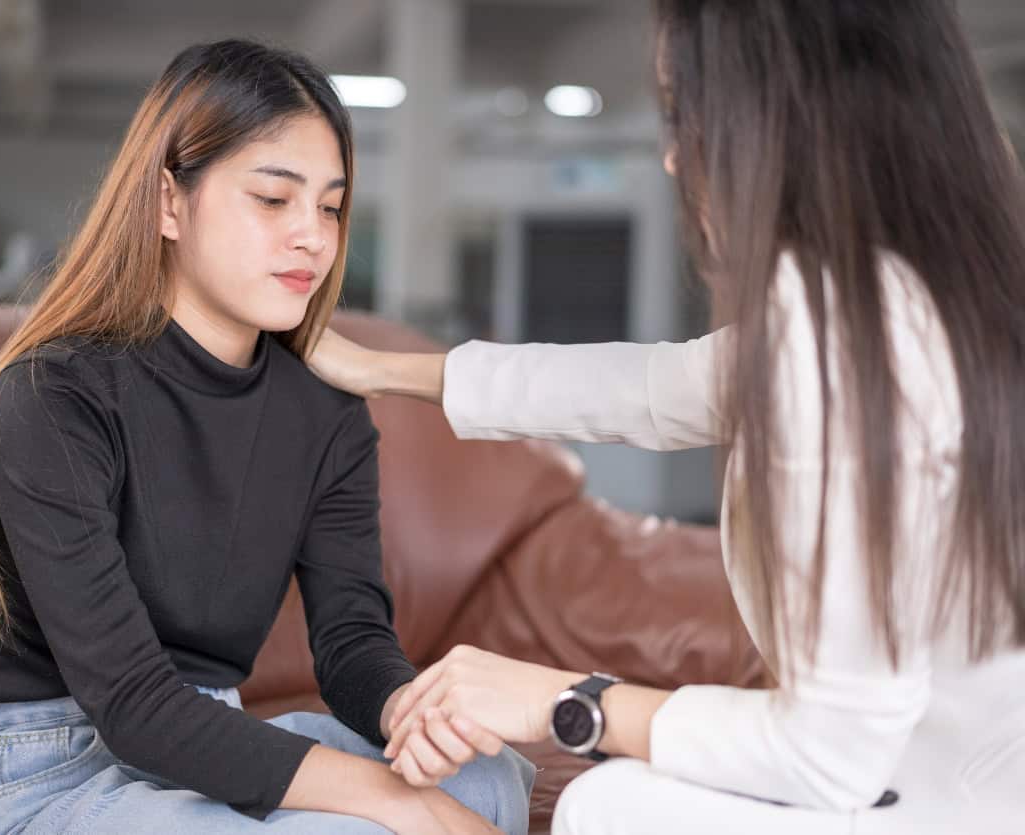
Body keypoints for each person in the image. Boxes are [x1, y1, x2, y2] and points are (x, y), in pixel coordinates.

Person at [306, 2, 1025, 832]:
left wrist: (562, 699)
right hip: (958, 776)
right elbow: (648, 386)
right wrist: (377, 369)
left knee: (609, 807)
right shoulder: (939, 285)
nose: (677, 157)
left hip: (946, 800)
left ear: (772, 119)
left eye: (686, 112)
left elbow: (830, 755)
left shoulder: (834, 331)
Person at [0, 40, 533, 835]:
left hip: (215, 735)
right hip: (51, 767)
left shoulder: (327, 412)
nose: (313, 238)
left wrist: (409, 712)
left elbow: (352, 637)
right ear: (168, 203)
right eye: (273, 198)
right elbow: (136, 706)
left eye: (329, 205)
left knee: (489, 778)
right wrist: (396, 798)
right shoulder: (55, 395)